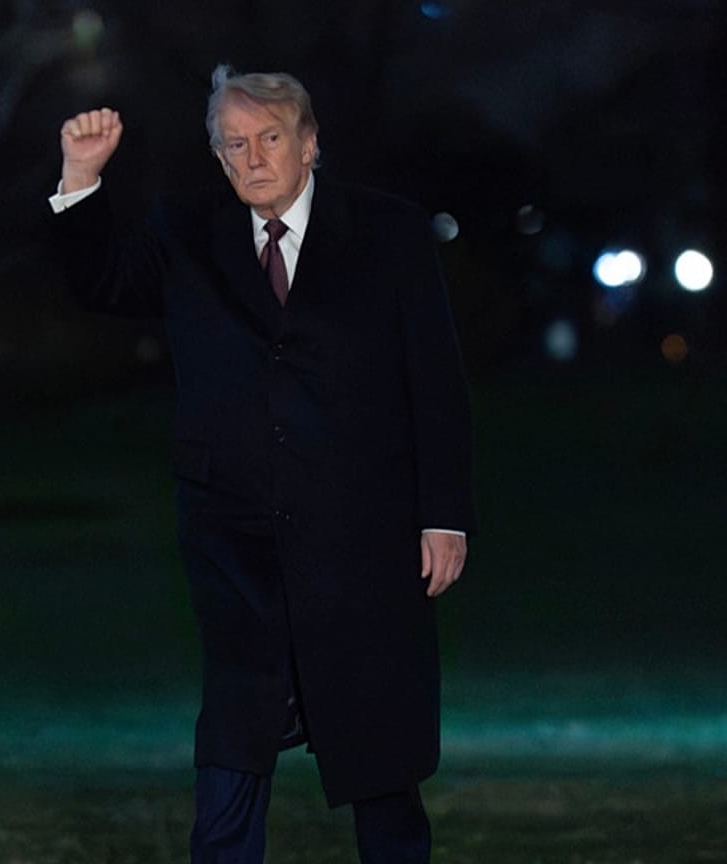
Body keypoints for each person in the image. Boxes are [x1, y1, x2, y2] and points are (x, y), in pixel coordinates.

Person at [48, 66, 476, 864]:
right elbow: (102, 282)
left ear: (309, 144)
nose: (252, 159)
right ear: (217, 158)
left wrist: (442, 512)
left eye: (269, 138)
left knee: (377, 741)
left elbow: (436, 382)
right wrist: (81, 180)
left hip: (364, 538)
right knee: (236, 734)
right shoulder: (187, 232)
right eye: (233, 145)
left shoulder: (388, 233)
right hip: (233, 534)